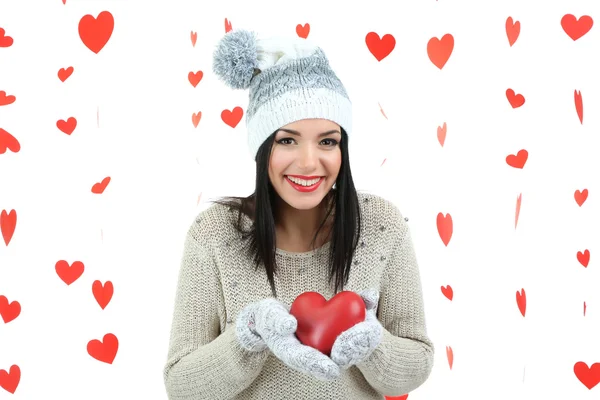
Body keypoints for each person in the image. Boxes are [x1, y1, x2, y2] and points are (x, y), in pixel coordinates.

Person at [162, 28, 434, 400]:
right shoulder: (213, 234)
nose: (309, 163)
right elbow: (181, 385)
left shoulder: (382, 225)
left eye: (327, 141)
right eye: (287, 140)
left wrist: (372, 342)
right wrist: (248, 334)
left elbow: (415, 367)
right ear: (262, 149)